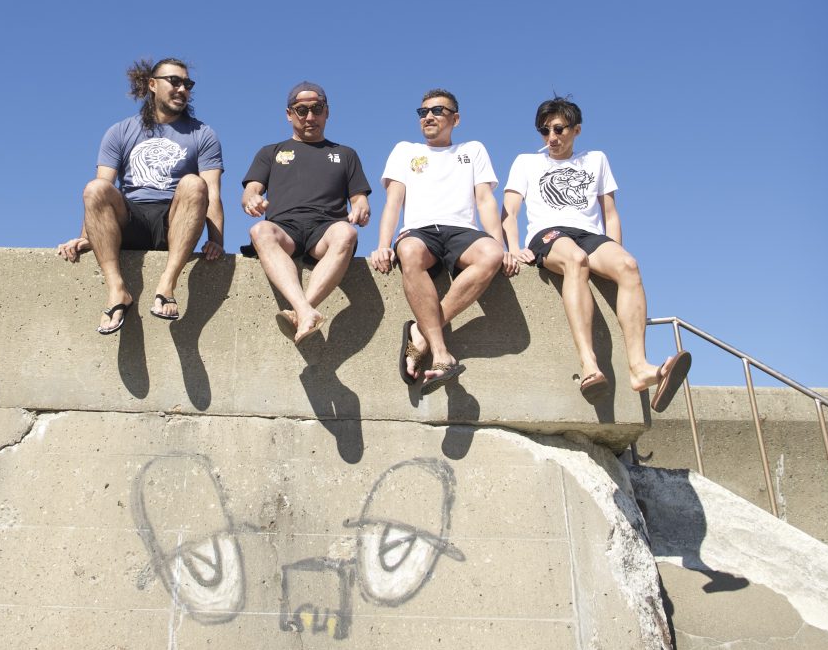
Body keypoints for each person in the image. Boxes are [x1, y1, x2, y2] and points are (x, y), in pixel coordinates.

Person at [501, 96, 689, 410]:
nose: (551, 137)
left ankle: (639, 368)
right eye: (544, 131)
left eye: (558, 129)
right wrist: (513, 247)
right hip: (549, 233)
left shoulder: (596, 160)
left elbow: (610, 213)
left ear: (576, 130)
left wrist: (614, 252)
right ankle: (589, 365)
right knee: (575, 260)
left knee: (628, 265)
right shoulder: (526, 162)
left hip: (589, 234)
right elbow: (509, 210)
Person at [56, 57, 224, 333]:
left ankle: (167, 285)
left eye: (188, 84)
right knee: (94, 187)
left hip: (174, 220)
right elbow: (100, 192)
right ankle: (117, 291)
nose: (182, 89)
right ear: (152, 85)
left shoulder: (203, 134)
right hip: (131, 218)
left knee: (194, 184)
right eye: (175, 81)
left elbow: (212, 193)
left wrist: (216, 241)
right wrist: (86, 237)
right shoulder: (120, 131)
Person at [368, 90, 505, 392]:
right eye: (423, 112)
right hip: (420, 230)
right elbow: (393, 201)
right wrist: (383, 244)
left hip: (461, 230)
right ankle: (441, 353)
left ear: (456, 119)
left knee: (492, 253)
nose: (428, 116)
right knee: (408, 250)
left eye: (438, 111)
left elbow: (485, 200)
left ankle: (420, 333)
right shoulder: (405, 150)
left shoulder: (473, 150)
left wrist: (501, 244)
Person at [242, 82, 371, 345]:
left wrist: (361, 207)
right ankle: (306, 312)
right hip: (284, 228)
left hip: (326, 229)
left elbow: (359, 198)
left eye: (317, 109)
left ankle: (302, 310)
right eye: (301, 110)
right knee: (259, 230)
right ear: (289, 114)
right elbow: (251, 190)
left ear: (327, 112)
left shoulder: (345, 154)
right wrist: (251, 199)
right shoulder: (270, 152)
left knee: (346, 233)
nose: (310, 116)